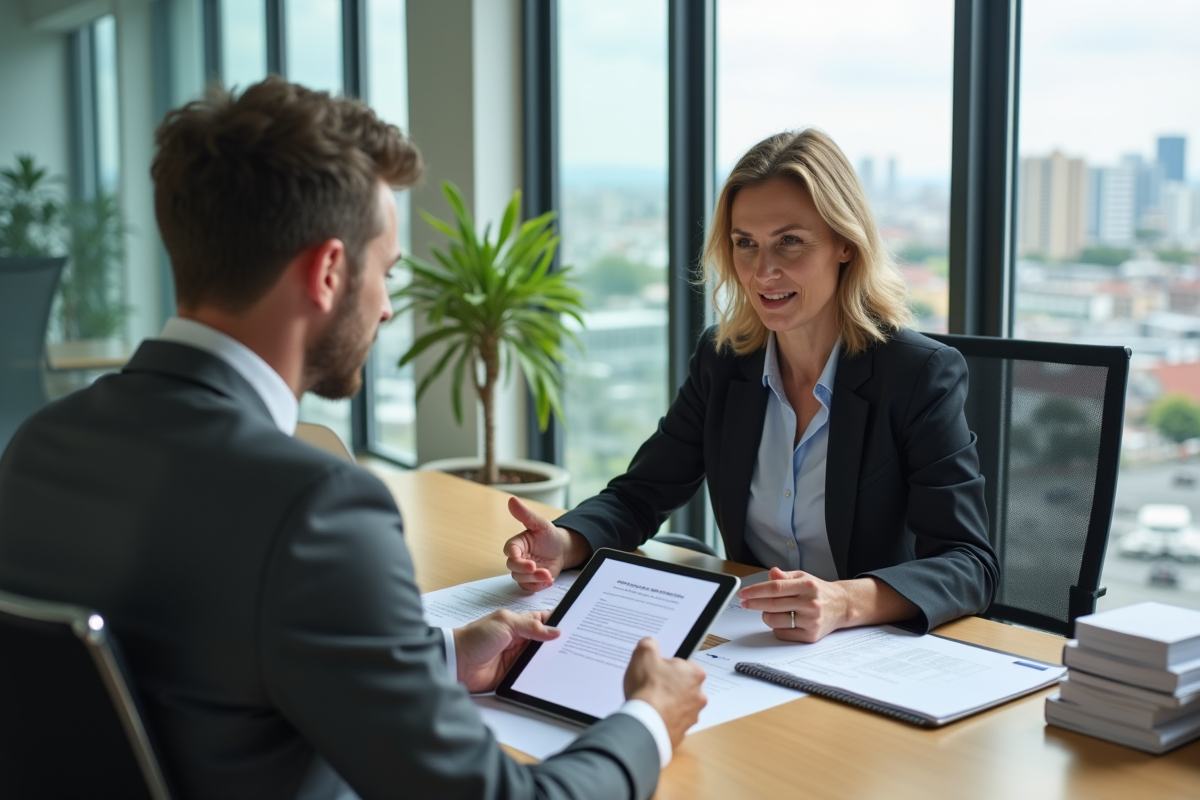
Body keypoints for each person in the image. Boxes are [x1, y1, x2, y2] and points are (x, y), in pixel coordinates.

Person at [0, 77, 705, 800]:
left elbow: (202, 659)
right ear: (329, 271)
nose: (389, 308)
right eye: (387, 272)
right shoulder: (313, 506)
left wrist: (438, 654)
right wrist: (648, 719)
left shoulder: (41, 445)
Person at [505, 129, 998, 643]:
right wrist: (566, 541)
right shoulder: (724, 361)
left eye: (790, 241)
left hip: (867, 646)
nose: (763, 271)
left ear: (845, 245)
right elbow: (640, 495)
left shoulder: (916, 375)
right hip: (754, 637)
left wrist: (843, 601)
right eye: (745, 244)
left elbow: (969, 563)